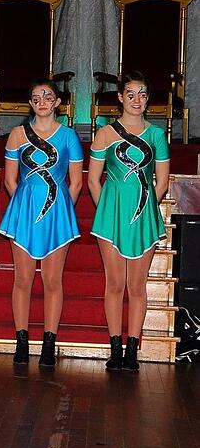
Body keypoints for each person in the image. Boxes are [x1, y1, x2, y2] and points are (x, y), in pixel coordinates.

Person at [0, 81, 83, 367]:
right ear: (30, 104)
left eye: (47, 96)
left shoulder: (69, 136)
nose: (42, 101)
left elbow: (77, 181)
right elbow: (10, 180)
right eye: (36, 98)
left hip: (57, 212)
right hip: (24, 211)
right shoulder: (17, 135)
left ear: (57, 101)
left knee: (52, 280)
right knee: (22, 279)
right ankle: (21, 341)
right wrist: (25, 202)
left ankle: (49, 342)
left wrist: (60, 209)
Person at [88, 71, 170, 372]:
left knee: (137, 286)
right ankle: (115, 347)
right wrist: (108, 210)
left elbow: (161, 183)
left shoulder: (157, 135)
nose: (137, 100)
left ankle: (133, 348)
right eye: (131, 94)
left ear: (148, 100)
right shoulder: (105, 134)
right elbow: (94, 181)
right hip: (110, 217)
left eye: (143, 94)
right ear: (121, 97)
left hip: (142, 217)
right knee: (114, 284)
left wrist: (142, 209)